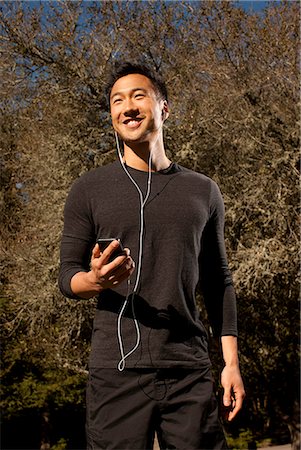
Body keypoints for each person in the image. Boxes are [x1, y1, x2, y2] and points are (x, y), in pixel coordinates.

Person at [59, 61, 245, 450]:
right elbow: (67, 277)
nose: (127, 107)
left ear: (164, 107)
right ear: (111, 115)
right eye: (117, 100)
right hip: (116, 371)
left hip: (188, 369)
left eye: (138, 96)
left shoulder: (202, 190)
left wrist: (231, 363)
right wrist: (94, 281)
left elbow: (218, 281)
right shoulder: (89, 189)